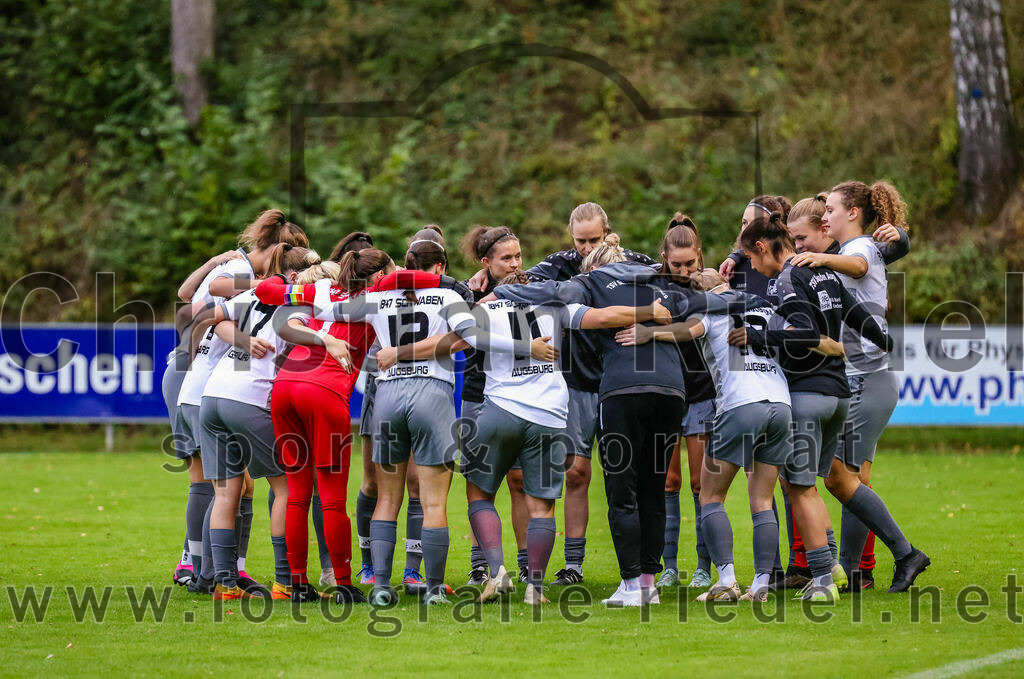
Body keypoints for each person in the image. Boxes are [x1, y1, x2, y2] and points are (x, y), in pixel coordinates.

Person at [615, 268, 844, 602]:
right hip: (781, 405)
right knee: (762, 499)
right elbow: (811, 339)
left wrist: (649, 333)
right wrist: (836, 346)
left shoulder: (711, 308)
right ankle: (761, 585)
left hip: (740, 404)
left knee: (710, 496)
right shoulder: (765, 308)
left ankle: (726, 582)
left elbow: (687, 330)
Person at [474, 202, 656, 586]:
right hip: (574, 382)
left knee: (638, 476)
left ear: (609, 233)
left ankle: (651, 569)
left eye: (594, 240)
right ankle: (570, 565)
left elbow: (672, 274)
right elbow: (518, 280)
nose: (587, 248)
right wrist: (485, 278)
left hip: (620, 379)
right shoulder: (558, 266)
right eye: (580, 241)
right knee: (575, 473)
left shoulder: (634, 262)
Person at [734, 212, 894, 600]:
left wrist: (757, 335)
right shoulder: (822, 272)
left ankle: (823, 580)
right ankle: (833, 568)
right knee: (809, 487)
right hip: (839, 395)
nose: (753, 267)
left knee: (800, 489)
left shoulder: (789, 277)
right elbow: (856, 311)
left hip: (808, 396)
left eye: (751, 258)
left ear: (762, 247)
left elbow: (806, 333)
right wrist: (882, 339)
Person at [791, 180, 930, 593]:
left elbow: (859, 267)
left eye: (831, 210)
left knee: (840, 480)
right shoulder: (845, 249)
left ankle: (904, 554)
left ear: (853, 213)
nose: (825, 216)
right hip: (862, 380)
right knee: (851, 482)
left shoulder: (861, 248)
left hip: (868, 380)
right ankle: (854, 572)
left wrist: (820, 258)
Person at [174, 210, 308, 594]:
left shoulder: (252, 292)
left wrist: (234, 341)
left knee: (227, 491)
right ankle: (284, 581)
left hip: (212, 391)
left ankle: (222, 580)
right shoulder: (290, 298)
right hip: (238, 396)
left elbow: (201, 313)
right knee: (284, 487)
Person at [164, 249, 242, 586]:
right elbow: (188, 306)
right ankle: (201, 566)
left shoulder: (233, 278)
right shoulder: (239, 278)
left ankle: (201, 565)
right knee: (216, 482)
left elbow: (186, 300)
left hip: (192, 381)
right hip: (193, 382)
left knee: (215, 482)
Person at [459, 225, 531, 585]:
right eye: (506, 258)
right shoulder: (467, 293)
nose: (515, 263)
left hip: (520, 398)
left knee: (520, 482)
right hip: (478, 396)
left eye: (518, 256)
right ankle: (481, 565)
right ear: (486, 262)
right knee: (480, 483)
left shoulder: (532, 286)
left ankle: (526, 564)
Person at [651, 214, 718, 591]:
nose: (683, 270)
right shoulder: (652, 287)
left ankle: (704, 567)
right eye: (676, 264)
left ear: (700, 255)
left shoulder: (713, 286)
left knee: (699, 483)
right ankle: (670, 566)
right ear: (664, 258)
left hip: (701, 394)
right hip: (664, 394)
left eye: (690, 263)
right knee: (668, 482)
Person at [718, 194, 792, 303]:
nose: (746, 230)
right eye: (744, 223)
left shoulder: (793, 266)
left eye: (754, 224)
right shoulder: (735, 269)